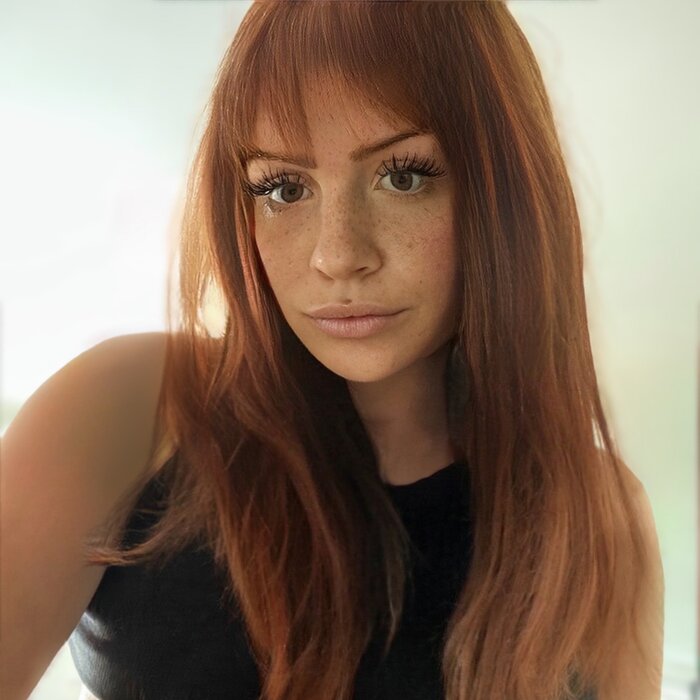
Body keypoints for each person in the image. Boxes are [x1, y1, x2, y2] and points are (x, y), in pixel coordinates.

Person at [1, 2, 664, 699]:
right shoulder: (132, 406)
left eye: (404, 176)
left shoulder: (601, 518)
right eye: (285, 188)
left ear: (508, 194)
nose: (337, 255)